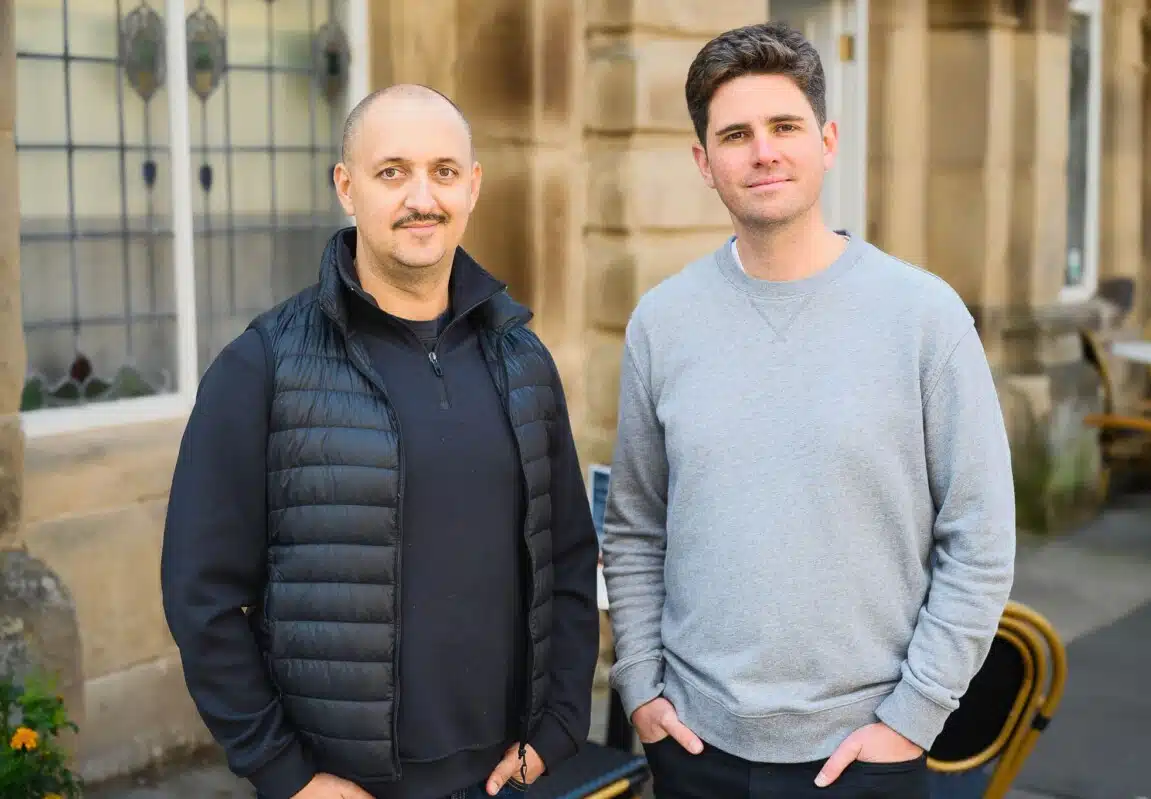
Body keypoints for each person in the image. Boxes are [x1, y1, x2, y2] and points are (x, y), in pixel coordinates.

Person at [600, 21, 1016, 799]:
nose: (763, 151)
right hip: (693, 745)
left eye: (785, 126)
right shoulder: (662, 323)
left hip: (865, 753)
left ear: (827, 141)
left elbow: (981, 539)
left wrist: (913, 717)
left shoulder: (923, 318)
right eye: (735, 135)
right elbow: (635, 525)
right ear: (704, 162)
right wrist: (642, 687)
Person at [161, 84, 599, 799]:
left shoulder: (523, 360)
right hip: (342, 786)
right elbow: (200, 592)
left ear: (472, 186)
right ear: (346, 186)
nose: (421, 198)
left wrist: (559, 728)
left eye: (443, 172)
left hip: (503, 779)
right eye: (392, 171)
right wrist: (286, 773)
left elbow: (570, 558)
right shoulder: (264, 365)